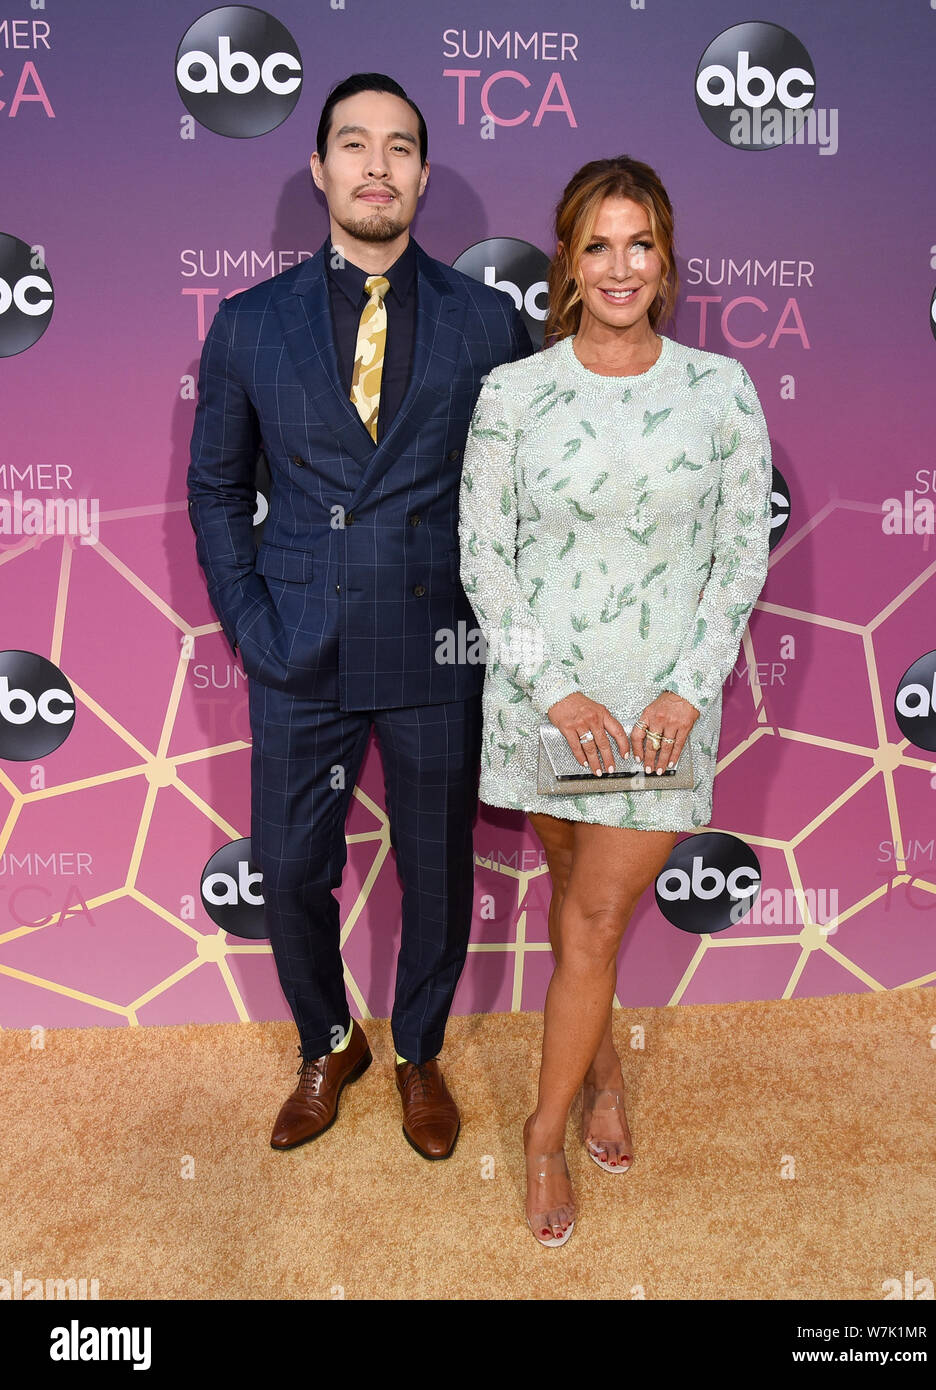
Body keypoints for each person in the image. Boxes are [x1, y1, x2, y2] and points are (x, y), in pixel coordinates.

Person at [188, 73, 532, 1160]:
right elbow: (213, 487)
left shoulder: (490, 322)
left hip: (436, 644)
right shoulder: (248, 326)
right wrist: (251, 622)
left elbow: (514, 494)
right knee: (288, 868)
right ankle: (328, 1040)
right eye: (353, 144)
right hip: (299, 645)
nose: (376, 166)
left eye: (398, 148)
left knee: (435, 867)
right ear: (320, 170)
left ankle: (420, 1050)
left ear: (424, 175)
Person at [459, 156, 772, 1244]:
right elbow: (484, 561)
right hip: (547, 702)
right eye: (598, 244)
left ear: (666, 257)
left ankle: (542, 1136)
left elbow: (738, 555)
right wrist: (553, 691)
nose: (619, 266)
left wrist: (689, 690)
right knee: (565, 891)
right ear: (567, 260)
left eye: (639, 243)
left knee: (593, 914)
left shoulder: (718, 388)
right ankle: (599, 1078)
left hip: (659, 711)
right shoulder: (515, 393)